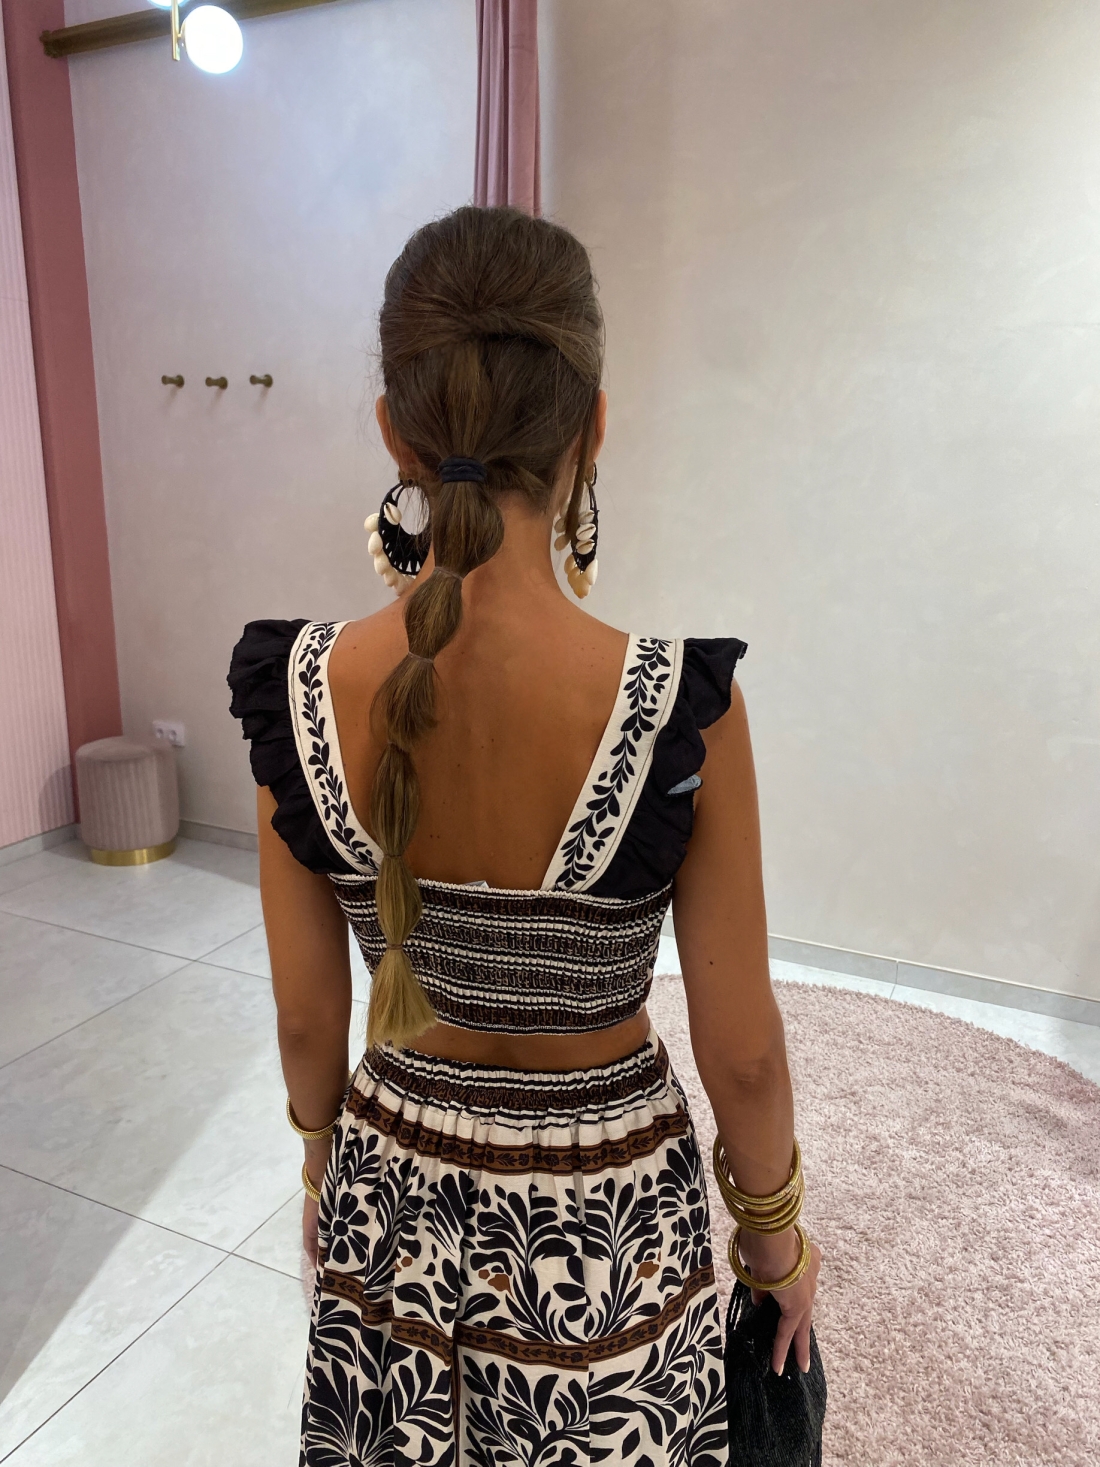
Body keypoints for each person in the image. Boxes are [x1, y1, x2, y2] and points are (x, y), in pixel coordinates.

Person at [229, 205, 819, 1467]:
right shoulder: (681, 709)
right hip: (607, 1233)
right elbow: (744, 1053)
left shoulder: (295, 689)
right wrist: (774, 1244)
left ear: (392, 431)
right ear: (591, 427)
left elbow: (304, 1023)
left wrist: (326, 1169)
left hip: (392, 1193)